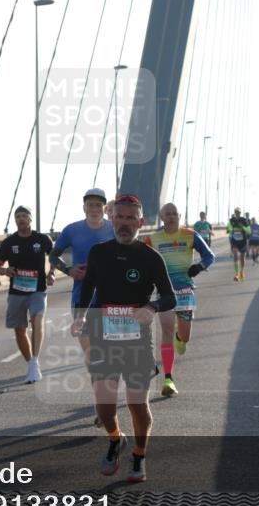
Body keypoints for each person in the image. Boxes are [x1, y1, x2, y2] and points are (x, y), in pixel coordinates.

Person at [71, 194, 176, 483]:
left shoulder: (150, 257)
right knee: (104, 407)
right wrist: (80, 317)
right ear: (111, 219)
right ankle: (116, 439)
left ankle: (139, 456)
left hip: (137, 341)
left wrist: (151, 307)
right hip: (103, 336)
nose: (125, 224)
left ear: (141, 222)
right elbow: (87, 288)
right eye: (120, 218)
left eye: (131, 219)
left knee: (136, 404)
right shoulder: (98, 253)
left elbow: (168, 297)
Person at [49, 188, 115, 428]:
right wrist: (69, 270)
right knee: (93, 356)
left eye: (99, 205)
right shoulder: (71, 230)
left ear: (105, 208)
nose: (95, 209)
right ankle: (102, 403)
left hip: (110, 299)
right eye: (91, 204)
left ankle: (103, 405)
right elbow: (53, 256)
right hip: (81, 300)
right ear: (84, 207)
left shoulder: (113, 228)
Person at [144, 203, 215, 396]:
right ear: (162, 217)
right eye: (168, 213)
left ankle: (179, 338)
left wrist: (199, 267)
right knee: (166, 329)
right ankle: (168, 379)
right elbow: (142, 261)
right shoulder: (153, 238)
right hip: (165, 293)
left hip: (185, 291)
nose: (172, 216)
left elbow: (209, 256)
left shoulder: (191, 235)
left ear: (179, 216)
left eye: (175, 213)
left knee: (184, 336)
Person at [0, 205, 54, 384]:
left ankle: (35, 360)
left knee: (37, 320)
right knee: (19, 330)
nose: (21, 219)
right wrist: (5, 271)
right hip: (17, 291)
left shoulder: (42, 239)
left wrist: (51, 273)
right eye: (18, 216)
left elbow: (55, 258)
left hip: (38, 289)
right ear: (15, 220)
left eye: (24, 216)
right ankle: (30, 364)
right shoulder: (9, 243)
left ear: (30, 219)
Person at [228, 207, 249, 281]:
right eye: (236, 212)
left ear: (240, 213)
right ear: (234, 212)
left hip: (243, 242)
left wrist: (242, 227)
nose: (237, 213)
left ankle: (241, 272)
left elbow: (249, 231)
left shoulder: (244, 220)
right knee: (235, 255)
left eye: (238, 212)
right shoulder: (231, 220)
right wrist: (231, 229)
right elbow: (228, 229)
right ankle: (237, 274)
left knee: (242, 258)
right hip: (235, 241)